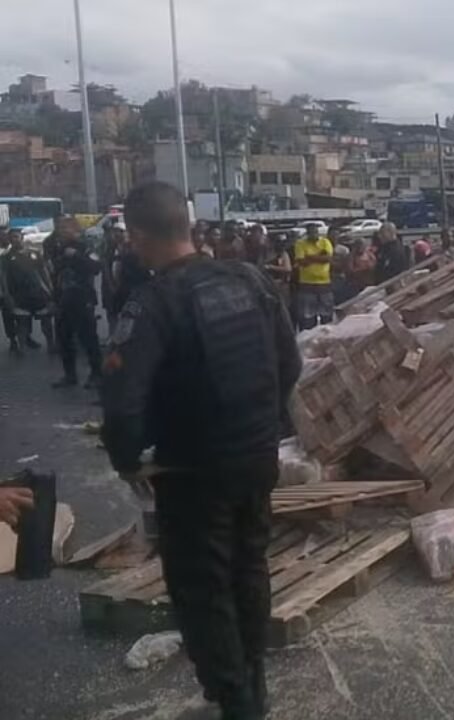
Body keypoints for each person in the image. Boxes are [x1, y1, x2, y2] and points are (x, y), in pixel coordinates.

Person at [101, 181, 301, 720]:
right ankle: (251, 687)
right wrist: (264, 424)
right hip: (257, 457)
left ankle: (236, 702)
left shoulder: (152, 302)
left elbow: (123, 404)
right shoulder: (252, 279)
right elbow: (290, 363)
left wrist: (126, 460)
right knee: (249, 568)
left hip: (192, 469)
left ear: (137, 235)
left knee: (201, 588)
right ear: (188, 225)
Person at [47, 216, 104, 389]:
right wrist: (54, 299)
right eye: (61, 229)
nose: (63, 232)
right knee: (64, 338)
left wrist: (77, 256)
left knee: (88, 339)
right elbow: (55, 274)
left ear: (76, 231)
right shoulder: (58, 248)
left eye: (66, 229)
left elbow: (96, 267)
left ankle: (97, 374)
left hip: (82, 298)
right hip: (64, 299)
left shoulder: (86, 246)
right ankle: (70, 375)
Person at [4, 228, 54, 352]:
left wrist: (50, 288)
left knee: (46, 321)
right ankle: (21, 348)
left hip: (38, 293)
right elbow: (3, 277)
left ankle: (51, 345)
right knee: (22, 323)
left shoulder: (35, 253)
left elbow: (44, 272)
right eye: (12, 238)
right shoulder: (5, 258)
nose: (14, 240)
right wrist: (7, 295)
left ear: (22, 237)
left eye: (16, 236)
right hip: (19, 296)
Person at [292, 224, 334, 329]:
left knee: (327, 316)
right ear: (307, 233)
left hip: (324, 284)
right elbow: (301, 262)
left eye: (316, 232)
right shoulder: (300, 244)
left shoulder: (325, 242)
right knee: (307, 318)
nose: (314, 234)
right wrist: (320, 256)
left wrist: (310, 257)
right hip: (307, 285)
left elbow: (328, 258)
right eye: (311, 232)